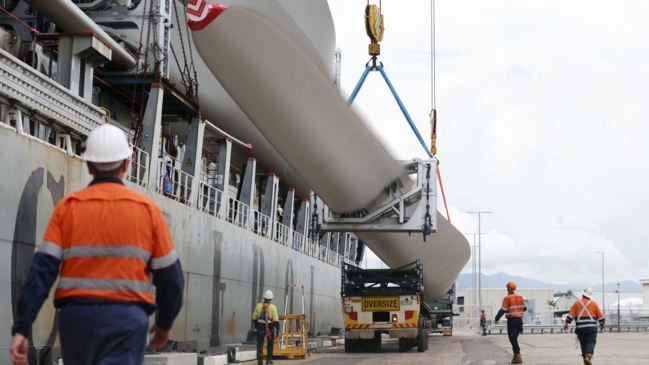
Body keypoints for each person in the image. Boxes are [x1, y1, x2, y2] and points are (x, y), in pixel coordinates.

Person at [10, 124, 185, 365]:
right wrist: (164, 325)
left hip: (76, 320)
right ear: (127, 164)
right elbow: (172, 280)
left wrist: (22, 327)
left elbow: (41, 273)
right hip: (127, 321)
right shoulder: (147, 211)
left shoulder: (68, 208)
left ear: (89, 165)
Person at [563, 288, 605, 365]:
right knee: (591, 342)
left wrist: (566, 323)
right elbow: (601, 317)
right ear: (590, 296)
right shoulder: (594, 304)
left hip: (580, 329)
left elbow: (570, 315)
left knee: (583, 345)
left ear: (583, 294)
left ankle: (585, 361)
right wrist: (602, 324)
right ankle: (588, 356)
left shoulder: (576, 304)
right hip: (591, 329)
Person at [494, 281, 527, 364]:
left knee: (512, 339)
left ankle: (518, 356)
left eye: (507, 288)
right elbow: (525, 308)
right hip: (519, 320)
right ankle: (515, 356)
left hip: (512, 321)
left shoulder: (507, 298)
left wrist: (497, 318)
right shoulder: (520, 297)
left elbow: (503, 310)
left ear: (508, 288)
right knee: (514, 339)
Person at [252, 290, 280, 365]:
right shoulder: (273, 307)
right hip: (270, 329)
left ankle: (260, 357)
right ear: (271, 299)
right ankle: (268, 360)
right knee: (270, 344)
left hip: (260, 328)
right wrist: (277, 330)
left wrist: (257, 325)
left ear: (264, 297)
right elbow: (276, 321)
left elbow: (254, 318)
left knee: (260, 343)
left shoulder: (258, 306)